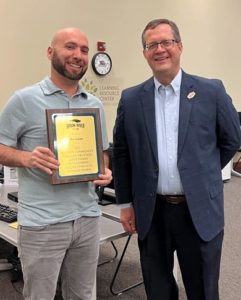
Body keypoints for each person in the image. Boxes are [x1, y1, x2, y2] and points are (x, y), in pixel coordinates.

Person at [112, 18, 241, 300]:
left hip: (198, 211)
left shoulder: (211, 91)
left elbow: (232, 139)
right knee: (158, 290)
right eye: (151, 45)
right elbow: (121, 153)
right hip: (152, 211)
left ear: (179, 46)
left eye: (166, 42)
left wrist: (202, 172)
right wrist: (125, 203)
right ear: (145, 53)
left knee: (203, 290)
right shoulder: (132, 99)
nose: (159, 49)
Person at [0, 27, 112, 300]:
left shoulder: (94, 104)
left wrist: (104, 169)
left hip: (87, 218)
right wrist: (26, 158)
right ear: (51, 52)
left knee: (83, 295)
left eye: (84, 50)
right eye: (70, 47)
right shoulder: (24, 99)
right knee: (40, 295)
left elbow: (102, 152)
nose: (78, 55)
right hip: (42, 223)